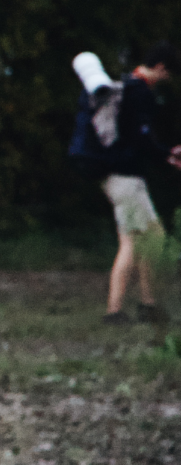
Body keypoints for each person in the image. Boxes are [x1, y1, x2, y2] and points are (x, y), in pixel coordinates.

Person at [100, 41, 181, 325]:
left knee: (152, 236)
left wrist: (164, 155)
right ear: (160, 67)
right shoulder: (139, 93)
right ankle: (115, 310)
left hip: (120, 175)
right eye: (168, 74)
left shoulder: (124, 86)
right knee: (133, 241)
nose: (167, 80)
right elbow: (142, 139)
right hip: (126, 177)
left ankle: (148, 303)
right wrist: (167, 155)